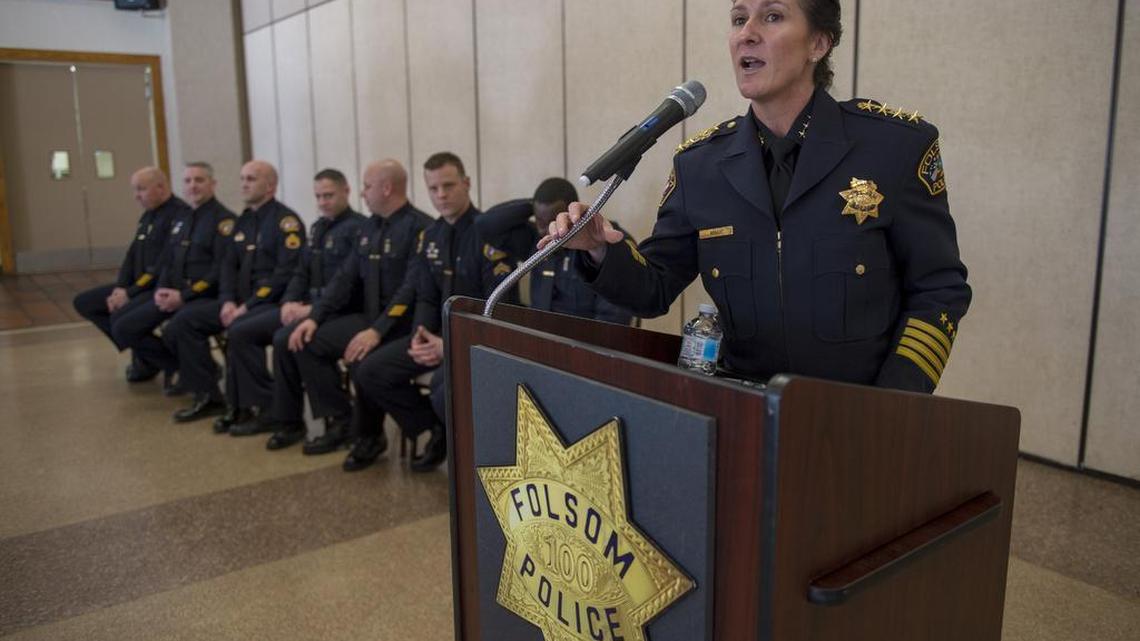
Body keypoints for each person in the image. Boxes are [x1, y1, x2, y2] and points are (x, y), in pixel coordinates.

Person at [543, 0, 969, 393]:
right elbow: (654, 288)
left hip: (857, 417)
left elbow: (938, 289)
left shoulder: (892, 148)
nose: (746, 33)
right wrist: (600, 250)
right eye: (738, 18)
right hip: (741, 418)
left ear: (818, 44)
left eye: (772, 16)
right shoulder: (700, 166)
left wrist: (894, 403)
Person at [343, 152, 511, 473]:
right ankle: (434, 429)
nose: (441, 195)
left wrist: (450, 345)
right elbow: (425, 296)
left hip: (477, 343)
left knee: (441, 387)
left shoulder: (488, 235)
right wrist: (422, 334)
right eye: (433, 189)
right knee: (369, 370)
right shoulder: (429, 236)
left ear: (467, 183)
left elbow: (499, 308)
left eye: (448, 186)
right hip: (435, 337)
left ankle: (454, 442)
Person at [270, 160, 432, 453]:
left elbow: (410, 290)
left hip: (402, 325)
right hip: (369, 319)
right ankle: (342, 421)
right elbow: (344, 279)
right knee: (306, 340)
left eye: (367, 186)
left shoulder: (420, 228)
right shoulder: (369, 227)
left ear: (386, 188)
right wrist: (314, 318)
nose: (362, 193)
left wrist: (377, 331)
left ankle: (373, 436)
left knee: (362, 361)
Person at [164, 160, 304, 423]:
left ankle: (262, 404)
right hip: (239, 302)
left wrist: (247, 305)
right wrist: (227, 300)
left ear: (270, 186)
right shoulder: (245, 220)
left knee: (240, 329)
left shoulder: (285, 222)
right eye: (242, 179)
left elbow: (284, 274)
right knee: (185, 321)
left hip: (270, 302)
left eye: (251, 179)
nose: (244, 184)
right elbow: (226, 266)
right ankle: (210, 396)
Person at [109, 162, 237, 396]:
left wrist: (184, 296)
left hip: (203, 296)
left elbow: (220, 271)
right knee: (121, 325)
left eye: (199, 180)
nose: (193, 186)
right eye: (187, 181)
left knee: (174, 327)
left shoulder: (224, 222)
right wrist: (162, 289)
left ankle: (198, 379)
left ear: (213, 184)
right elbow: (168, 261)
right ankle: (186, 368)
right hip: (174, 294)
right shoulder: (183, 219)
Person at [72, 166, 189, 384]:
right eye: (135, 190)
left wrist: (130, 292)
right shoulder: (149, 215)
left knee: (121, 321)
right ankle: (148, 357)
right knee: (85, 302)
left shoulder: (178, 215)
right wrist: (120, 287)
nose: (136, 196)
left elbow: (162, 266)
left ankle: (182, 366)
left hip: (158, 288)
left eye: (141, 189)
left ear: (161, 187)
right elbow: (132, 254)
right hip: (138, 286)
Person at [476, 177, 634, 325]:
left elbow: (612, 321)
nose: (543, 230)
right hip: (539, 342)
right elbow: (484, 225)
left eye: (551, 220)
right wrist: (533, 204)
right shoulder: (537, 241)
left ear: (570, 213)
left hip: (582, 345)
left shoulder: (601, 242)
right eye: (539, 220)